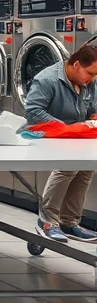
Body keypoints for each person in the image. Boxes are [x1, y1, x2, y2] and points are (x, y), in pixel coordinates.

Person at [25, 44, 97, 243]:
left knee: (86, 168)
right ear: (76, 65)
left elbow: (92, 107)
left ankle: (69, 222)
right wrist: (65, 128)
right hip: (45, 135)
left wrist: (92, 118)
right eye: (90, 73)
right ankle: (47, 221)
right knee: (68, 167)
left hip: (75, 136)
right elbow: (33, 112)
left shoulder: (89, 81)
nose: (92, 78)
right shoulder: (47, 79)